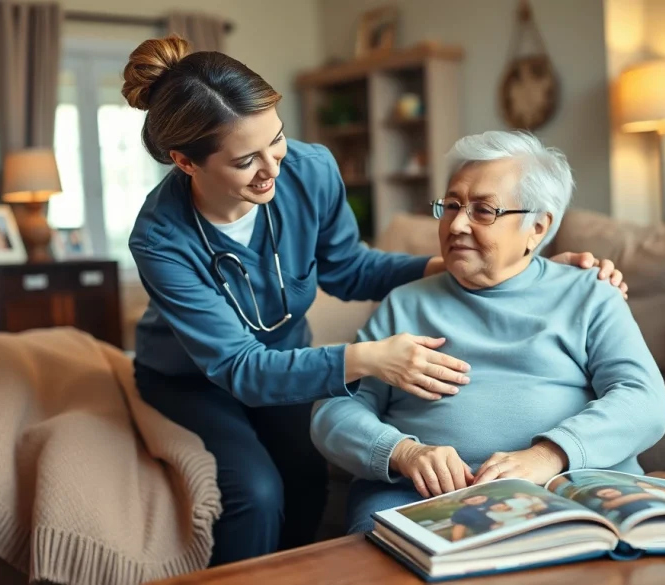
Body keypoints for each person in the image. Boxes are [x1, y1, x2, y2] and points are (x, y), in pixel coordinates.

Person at [123, 34, 628, 566]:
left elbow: (348, 269)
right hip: (194, 377)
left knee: (305, 477)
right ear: (185, 162)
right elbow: (238, 367)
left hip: (289, 360)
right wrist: (369, 358)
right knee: (255, 492)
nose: (274, 167)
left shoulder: (309, 169)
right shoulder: (160, 237)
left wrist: (513, 265)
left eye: (278, 139)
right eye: (247, 160)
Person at [310, 131, 665, 536]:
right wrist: (404, 453)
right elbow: (335, 410)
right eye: (452, 205)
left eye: (484, 211)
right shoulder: (405, 304)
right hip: (420, 495)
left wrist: (549, 454)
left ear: (537, 227)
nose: (458, 224)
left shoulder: (589, 293)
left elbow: (643, 399)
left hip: (565, 486)